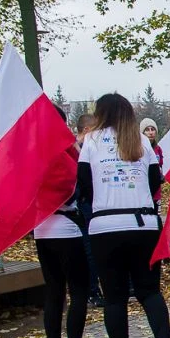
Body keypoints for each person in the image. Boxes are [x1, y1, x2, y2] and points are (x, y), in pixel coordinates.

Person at [77, 93, 170, 338]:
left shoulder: (92, 142)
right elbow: (154, 180)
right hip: (143, 223)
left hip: (105, 226)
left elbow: (83, 183)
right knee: (150, 291)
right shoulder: (141, 141)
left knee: (115, 298)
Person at [35, 106, 106, 338]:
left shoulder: (31, 151)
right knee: (78, 291)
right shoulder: (62, 151)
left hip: (42, 229)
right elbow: (75, 187)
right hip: (68, 227)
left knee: (53, 292)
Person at [75, 113, 104, 307]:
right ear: (86, 130)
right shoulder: (79, 148)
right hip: (83, 205)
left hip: (86, 204)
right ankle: (92, 291)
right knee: (90, 250)